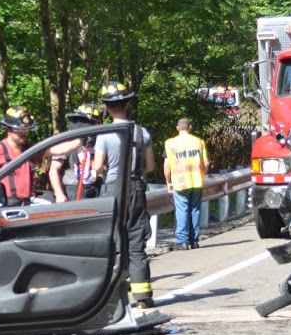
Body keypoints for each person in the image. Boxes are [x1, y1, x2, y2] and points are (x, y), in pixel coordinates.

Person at [89, 81, 156, 308]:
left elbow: (98, 166)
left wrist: (106, 171)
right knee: (136, 244)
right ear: (127, 104)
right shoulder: (142, 132)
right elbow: (150, 166)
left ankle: (113, 299)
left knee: (114, 243)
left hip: (112, 193)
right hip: (136, 192)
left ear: (107, 108)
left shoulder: (104, 134)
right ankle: (143, 297)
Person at [164, 117, 210, 249]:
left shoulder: (170, 143)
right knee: (195, 210)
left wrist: (168, 181)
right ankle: (194, 240)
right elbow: (206, 163)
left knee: (182, 210)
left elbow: (167, 165)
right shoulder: (199, 142)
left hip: (180, 182)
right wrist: (202, 174)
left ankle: (182, 241)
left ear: (177, 128)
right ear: (190, 128)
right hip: (196, 181)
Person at [48, 103, 103, 202]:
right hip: (73, 189)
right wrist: (59, 194)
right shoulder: (65, 141)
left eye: (97, 123)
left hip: (95, 187)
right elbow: (54, 170)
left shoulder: (98, 141)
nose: (96, 126)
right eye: (93, 123)